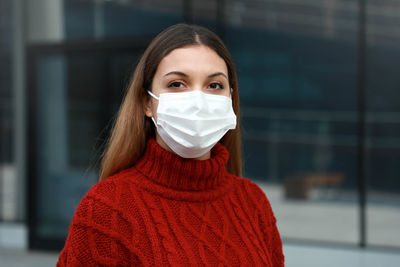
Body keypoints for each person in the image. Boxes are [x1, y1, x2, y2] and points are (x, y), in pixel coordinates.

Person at [57, 23, 284, 267]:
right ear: (147, 102)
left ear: (231, 98)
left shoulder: (252, 201)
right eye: (177, 84)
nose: (198, 100)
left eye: (214, 85)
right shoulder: (107, 209)